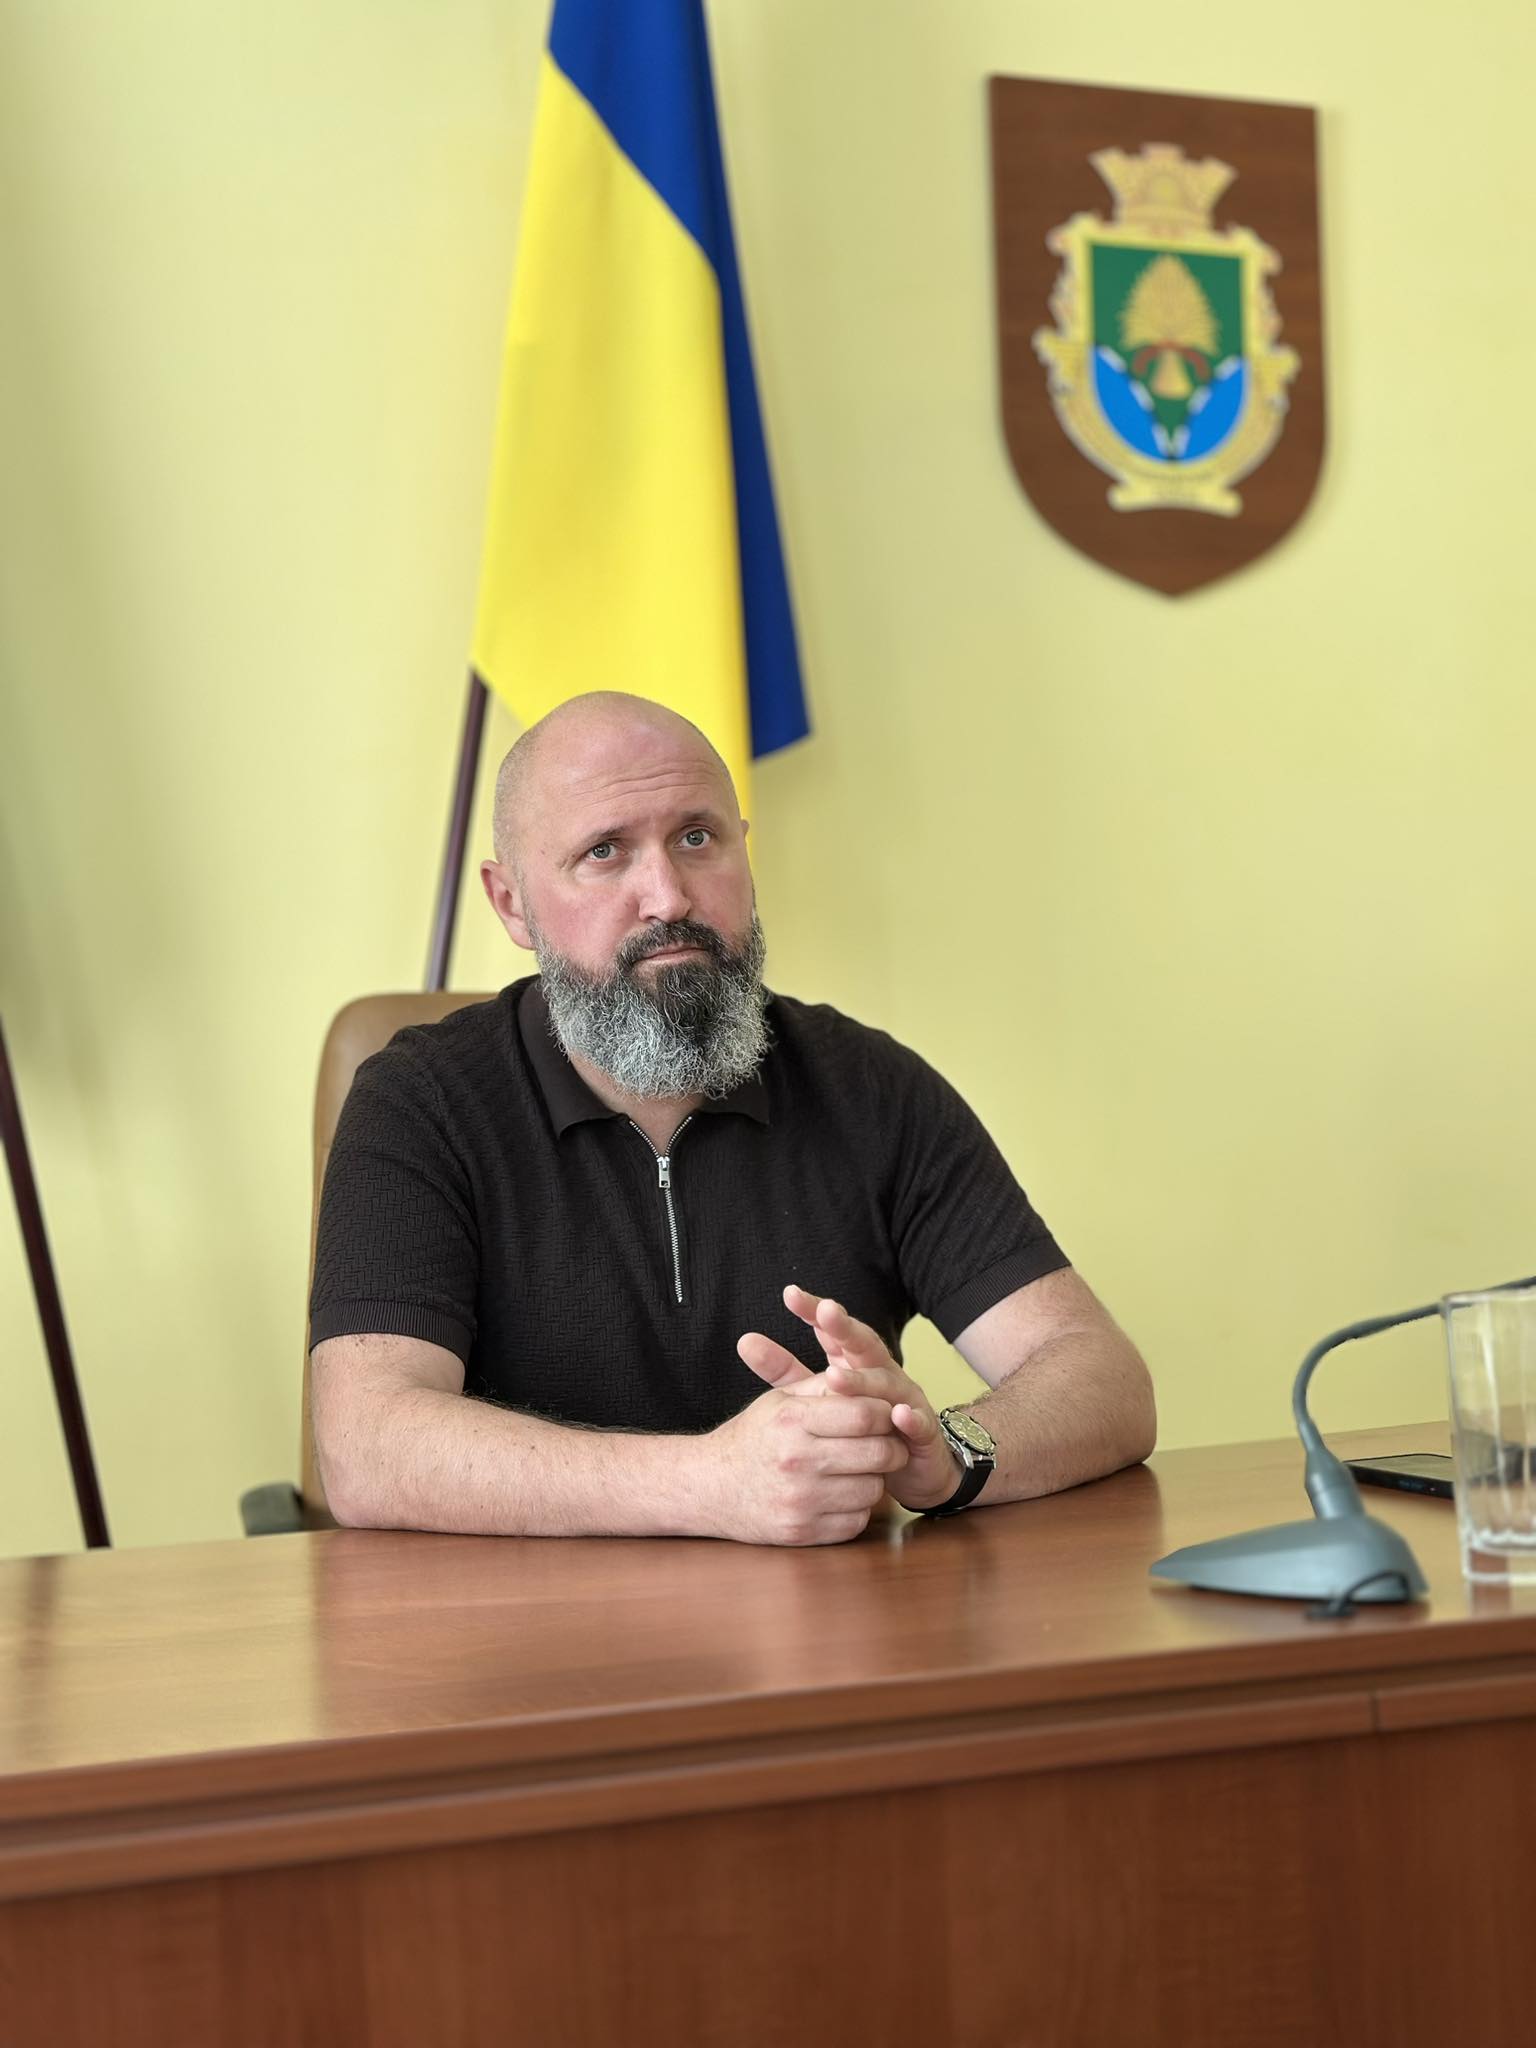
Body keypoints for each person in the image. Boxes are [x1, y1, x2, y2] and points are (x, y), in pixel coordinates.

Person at [310, 692, 1155, 1544]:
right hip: (519, 1622)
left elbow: (1102, 1375)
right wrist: (710, 1483)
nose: (669, 898)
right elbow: (367, 1446)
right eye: (604, 852)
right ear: (511, 903)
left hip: (827, 1620)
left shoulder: (871, 1088)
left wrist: (949, 1452)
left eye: (696, 838)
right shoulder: (419, 1103)